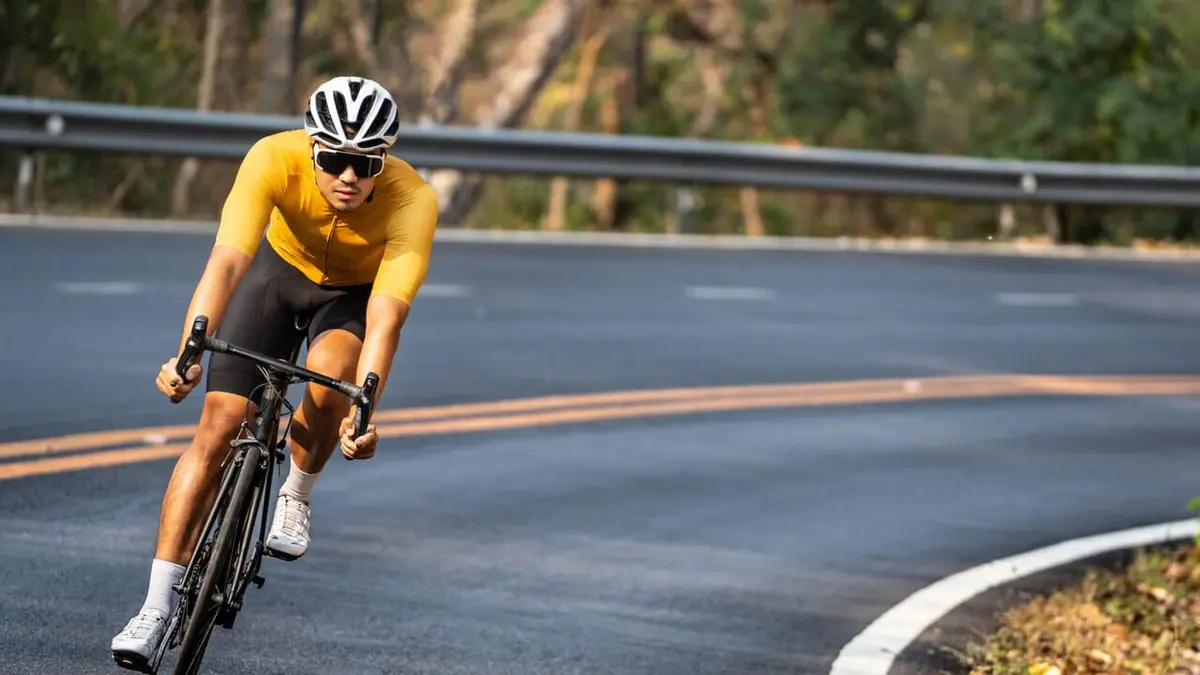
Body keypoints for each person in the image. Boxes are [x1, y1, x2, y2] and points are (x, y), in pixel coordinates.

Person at [110, 75, 439, 668]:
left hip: (351, 296)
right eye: (334, 160)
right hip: (277, 275)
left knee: (331, 373)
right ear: (312, 150)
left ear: (383, 162)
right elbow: (226, 263)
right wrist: (187, 355)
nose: (348, 176)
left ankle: (297, 491)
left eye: (366, 164)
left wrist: (363, 414)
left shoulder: (413, 200)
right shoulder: (272, 157)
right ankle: (154, 609)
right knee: (217, 427)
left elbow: (386, 318)